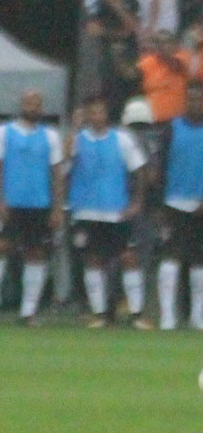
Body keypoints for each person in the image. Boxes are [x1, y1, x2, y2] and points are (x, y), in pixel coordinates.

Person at [0, 89, 65, 325]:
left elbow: (57, 173)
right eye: (28, 103)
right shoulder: (3, 131)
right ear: (21, 105)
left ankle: (28, 311)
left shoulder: (50, 135)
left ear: (41, 107)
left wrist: (57, 207)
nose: (32, 107)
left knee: (36, 254)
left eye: (36, 104)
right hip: (11, 203)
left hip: (39, 204)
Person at [68, 93, 152, 328]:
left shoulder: (122, 139)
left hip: (116, 211)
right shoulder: (77, 139)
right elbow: (62, 162)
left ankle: (136, 314)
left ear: (107, 114)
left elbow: (140, 169)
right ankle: (100, 314)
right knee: (93, 260)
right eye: (92, 112)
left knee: (128, 257)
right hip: (85, 210)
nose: (97, 116)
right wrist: (74, 129)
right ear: (86, 115)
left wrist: (137, 202)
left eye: (101, 112)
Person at [156, 79, 203, 329]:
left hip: (201, 203)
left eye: (200, 99)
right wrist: (159, 204)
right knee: (171, 257)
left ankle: (198, 316)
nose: (196, 103)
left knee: (199, 260)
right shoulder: (171, 129)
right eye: (192, 99)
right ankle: (167, 316)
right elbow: (160, 168)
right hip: (174, 202)